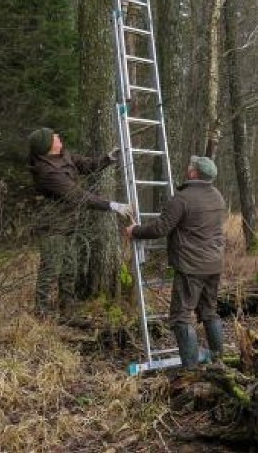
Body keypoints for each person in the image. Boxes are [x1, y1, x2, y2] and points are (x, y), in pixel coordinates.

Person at [124, 155, 226, 367]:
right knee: (209, 310)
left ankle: (189, 370)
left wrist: (136, 230)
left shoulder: (182, 198)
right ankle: (220, 360)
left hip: (192, 266)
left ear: (194, 173)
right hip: (214, 264)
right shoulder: (218, 196)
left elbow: (160, 228)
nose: (188, 166)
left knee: (181, 316)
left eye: (192, 165)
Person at [27, 127, 133, 318]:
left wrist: (109, 158)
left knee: (69, 267)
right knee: (50, 268)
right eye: (54, 136)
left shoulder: (63, 156)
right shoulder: (47, 172)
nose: (58, 136)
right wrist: (112, 205)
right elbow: (78, 196)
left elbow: (86, 165)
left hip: (69, 223)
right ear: (48, 145)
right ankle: (41, 313)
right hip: (53, 226)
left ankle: (68, 310)